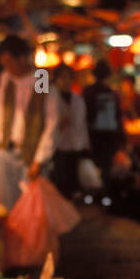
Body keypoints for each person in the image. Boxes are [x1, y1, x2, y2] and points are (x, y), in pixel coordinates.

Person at [0, 34, 58, 209]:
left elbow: (51, 121)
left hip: (31, 153)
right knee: (8, 205)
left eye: (9, 63)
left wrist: (40, 158)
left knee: (31, 207)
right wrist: (0, 142)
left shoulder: (41, 78)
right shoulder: (6, 78)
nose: (8, 68)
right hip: (7, 150)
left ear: (22, 58)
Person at [83, 59, 124, 198]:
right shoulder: (113, 94)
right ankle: (105, 197)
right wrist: (121, 139)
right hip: (109, 136)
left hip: (93, 135)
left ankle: (91, 195)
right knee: (106, 167)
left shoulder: (88, 92)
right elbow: (118, 118)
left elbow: (83, 116)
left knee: (93, 166)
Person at [48, 63, 91, 199]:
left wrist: (85, 145)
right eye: (62, 77)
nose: (65, 81)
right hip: (58, 145)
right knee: (60, 178)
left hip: (75, 144)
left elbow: (82, 123)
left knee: (73, 178)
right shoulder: (51, 98)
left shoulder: (78, 99)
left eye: (68, 77)